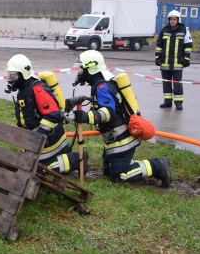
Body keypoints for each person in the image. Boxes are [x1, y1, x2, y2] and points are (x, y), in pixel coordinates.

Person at [72, 50, 171, 187]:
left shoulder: (102, 86)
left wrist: (87, 117)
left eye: (82, 68)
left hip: (122, 139)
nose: (80, 71)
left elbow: (109, 112)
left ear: (92, 67)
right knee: (108, 172)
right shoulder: (103, 83)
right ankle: (131, 165)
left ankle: (158, 165)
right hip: (114, 139)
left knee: (119, 176)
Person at [5, 54, 85, 174]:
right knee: (25, 167)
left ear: (23, 74)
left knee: (39, 172)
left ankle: (78, 160)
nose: (10, 78)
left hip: (50, 141)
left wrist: (39, 134)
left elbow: (53, 114)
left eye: (14, 75)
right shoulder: (24, 88)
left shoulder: (37, 88)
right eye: (10, 75)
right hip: (37, 140)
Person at [155, 10, 192, 110]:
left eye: (174, 19)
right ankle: (167, 102)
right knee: (166, 83)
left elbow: (188, 46)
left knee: (177, 84)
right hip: (165, 63)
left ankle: (178, 103)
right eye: (171, 19)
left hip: (177, 63)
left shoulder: (184, 30)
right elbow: (159, 45)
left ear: (178, 20)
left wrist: (186, 59)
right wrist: (157, 58)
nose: (172, 21)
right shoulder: (164, 30)